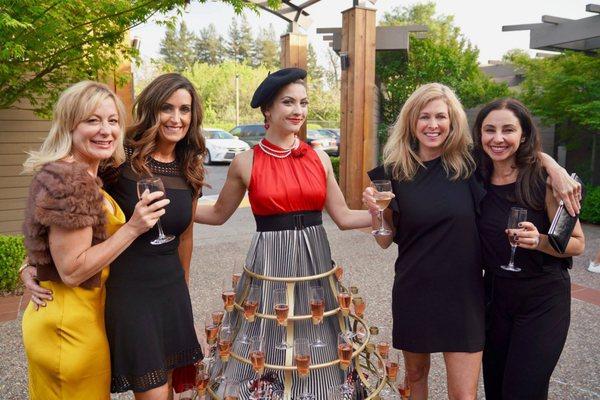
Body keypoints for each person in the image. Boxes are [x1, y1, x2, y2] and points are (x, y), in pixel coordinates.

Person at [362, 83, 581, 400]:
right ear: (411, 121)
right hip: (414, 288)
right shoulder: (393, 172)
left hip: (465, 294)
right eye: (424, 117)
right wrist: (376, 213)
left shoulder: (469, 166)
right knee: (414, 377)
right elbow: (385, 240)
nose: (433, 125)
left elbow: (513, 150)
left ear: (453, 122)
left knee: (464, 394)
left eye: (441, 116)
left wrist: (554, 167)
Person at [194, 67, 372, 398]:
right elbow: (218, 214)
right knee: (268, 335)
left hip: (315, 262)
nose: (298, 111)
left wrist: (390, 214)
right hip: (270, 264)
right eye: (288, 102)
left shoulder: (318, 157)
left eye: (303, 103)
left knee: (317, 335)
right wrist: (176, 209)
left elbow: (345, 217)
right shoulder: (245, 162)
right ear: (268, 110)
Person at [20, 81, 167, 400]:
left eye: (113, 121)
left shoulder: (68, 173)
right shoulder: (73, 182)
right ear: (69, 125)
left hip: (63, 317)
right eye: (92, 120)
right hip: (70, 327)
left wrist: (30, 266)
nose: (106, 130)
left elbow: (48, 241)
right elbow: (72, 270)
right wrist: (133, 227)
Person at [101, 73, 206, 398]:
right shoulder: (118, 160)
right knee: (154, 392)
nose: (177, 118)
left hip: (171, 292)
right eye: (167, 108)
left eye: (185, 110)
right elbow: (74, 211)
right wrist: (36, 261)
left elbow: (185, 236)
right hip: (130, 293)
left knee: (171, 390)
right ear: (151, 109)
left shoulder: (189, 165)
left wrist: (183, 290)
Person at [473, 98, 584, 399]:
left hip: (542, 299)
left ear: (523, 135)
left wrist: (540, 241)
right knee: (495, 389)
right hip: (494, 297)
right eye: (489, 130)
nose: (497, 138)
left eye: (508, 130)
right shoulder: (476, 177)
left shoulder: (546, 181)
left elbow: (577, 243)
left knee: (524, 392)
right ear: (479, 134)